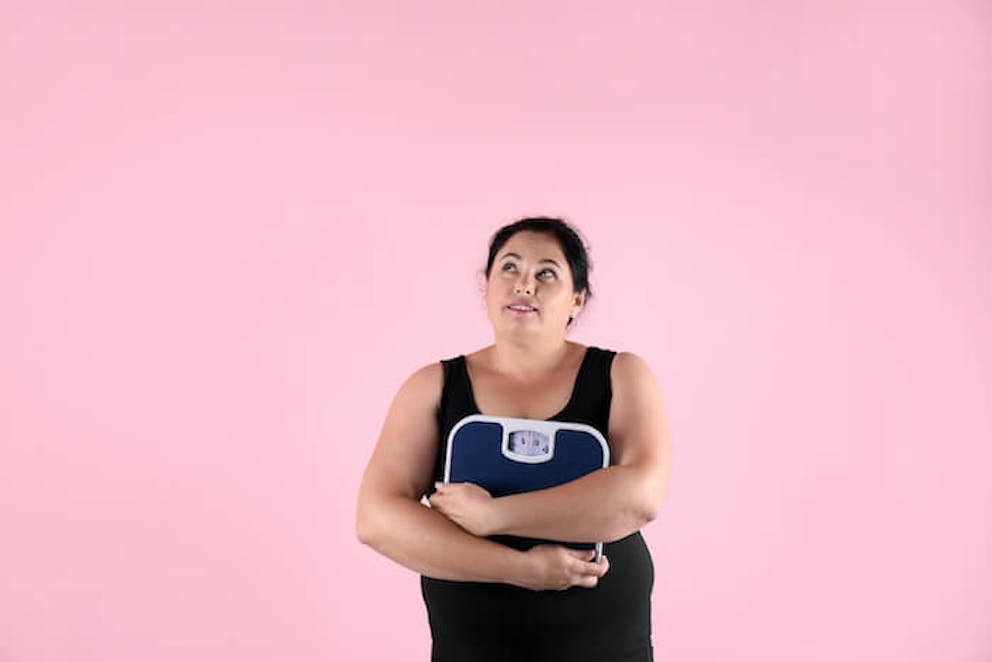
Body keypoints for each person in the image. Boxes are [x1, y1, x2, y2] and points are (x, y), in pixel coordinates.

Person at [356, 217, 671, 661]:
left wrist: (494, 516)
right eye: (509, 268)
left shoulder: (622, 375)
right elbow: (376, 518)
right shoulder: (432, 387)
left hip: (606, 644)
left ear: (576, 300)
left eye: (547, 273)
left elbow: (640, 497)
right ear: (486, 288)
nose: (525, 284)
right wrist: (522, 569)